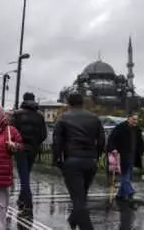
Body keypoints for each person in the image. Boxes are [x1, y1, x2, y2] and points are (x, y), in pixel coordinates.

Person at [52, 92, 105, 230]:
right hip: (90, 161)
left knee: (78, 199)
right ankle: (73, 220)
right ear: (82, 102)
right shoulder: (94, 118)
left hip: (72, 161)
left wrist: (57, 159)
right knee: (82, 196)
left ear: (69, 103)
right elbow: (101, 141)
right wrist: (96, 156)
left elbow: (57, 141)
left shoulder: (63, 118)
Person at [10, 92, 48, 215]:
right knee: (25, 175)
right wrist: (36, 143)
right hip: (33, 148)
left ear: (24, 100)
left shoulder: (17, 114)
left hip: (20, 148)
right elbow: (44, 134)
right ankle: (21, 199)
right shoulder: (40, 116)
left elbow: (11, 131)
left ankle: (28, 203)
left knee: (24, 176)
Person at [107, 112, 144, 202]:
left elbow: (140, 141)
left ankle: (120, 194)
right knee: (125, 174)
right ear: (128, 118)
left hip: (133, 155)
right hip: (122, 154)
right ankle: (130, 190)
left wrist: (143, 151)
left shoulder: (137, 129)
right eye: (134, 119)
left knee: (129, 174)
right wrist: (113, 148)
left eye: (136, 119)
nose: (135, 121)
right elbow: (111, 139)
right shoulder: (120, 128)